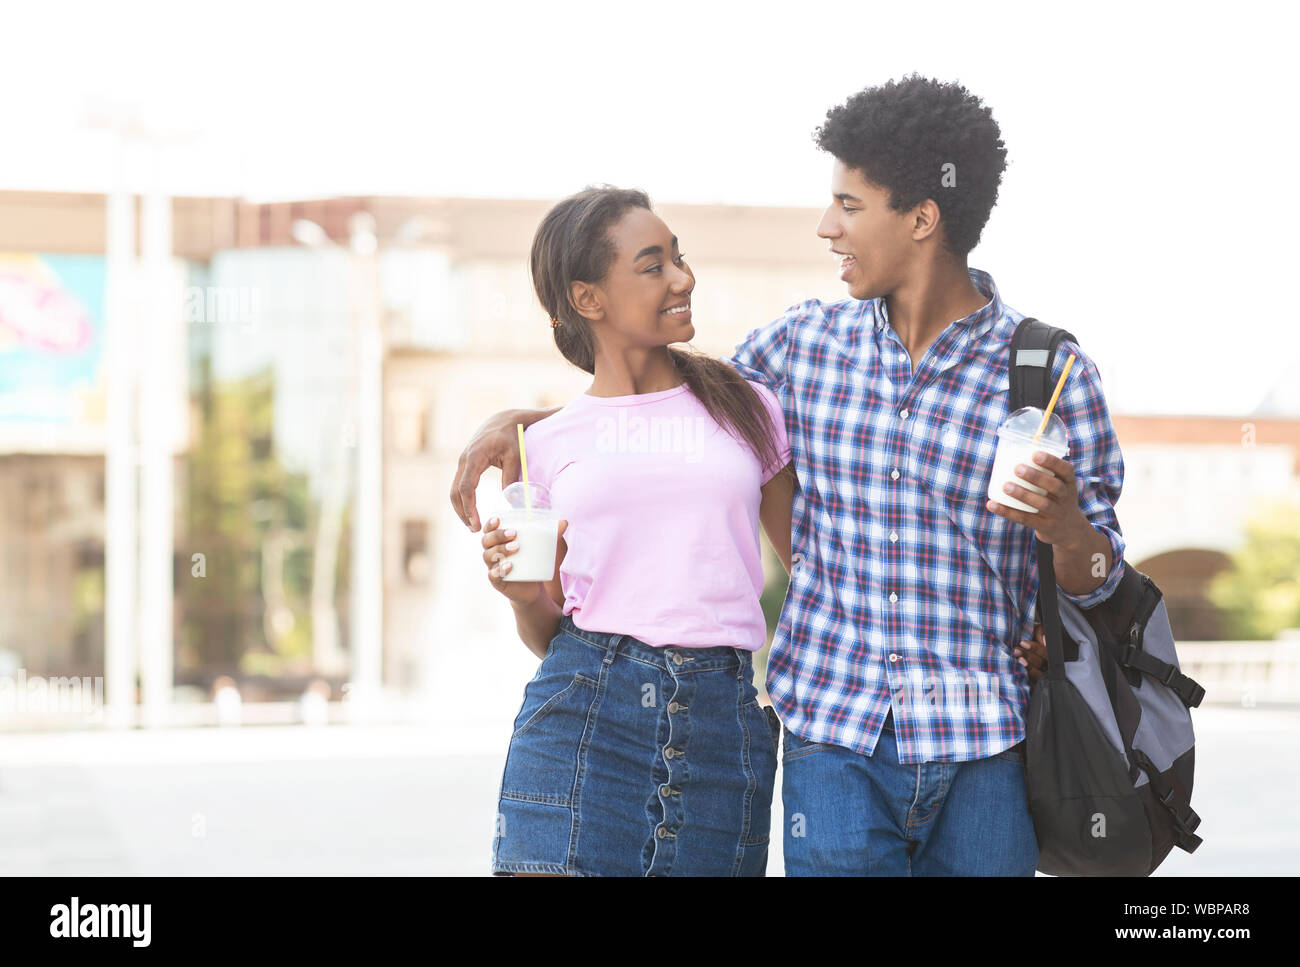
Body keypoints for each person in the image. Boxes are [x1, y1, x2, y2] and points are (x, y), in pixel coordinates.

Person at [455, 75, 1107, 877]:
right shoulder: (800, 348)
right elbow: (653, 410)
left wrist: (1068, 537)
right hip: (810, 734)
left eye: (850, 205)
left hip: (971, 736)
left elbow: (1099, 580)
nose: (827, 225)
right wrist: (525, 423)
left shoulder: (1047, 375)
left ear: (923, 217)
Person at [478, 185, 798, 876]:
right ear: (589, 298)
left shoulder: (748, 409)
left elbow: (814, 566)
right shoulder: (547, 444)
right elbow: (547, 632)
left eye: (679, 259)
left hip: (723, 723)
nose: (683, 278)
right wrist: (519, 593)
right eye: (653, 265)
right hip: (585, 711)